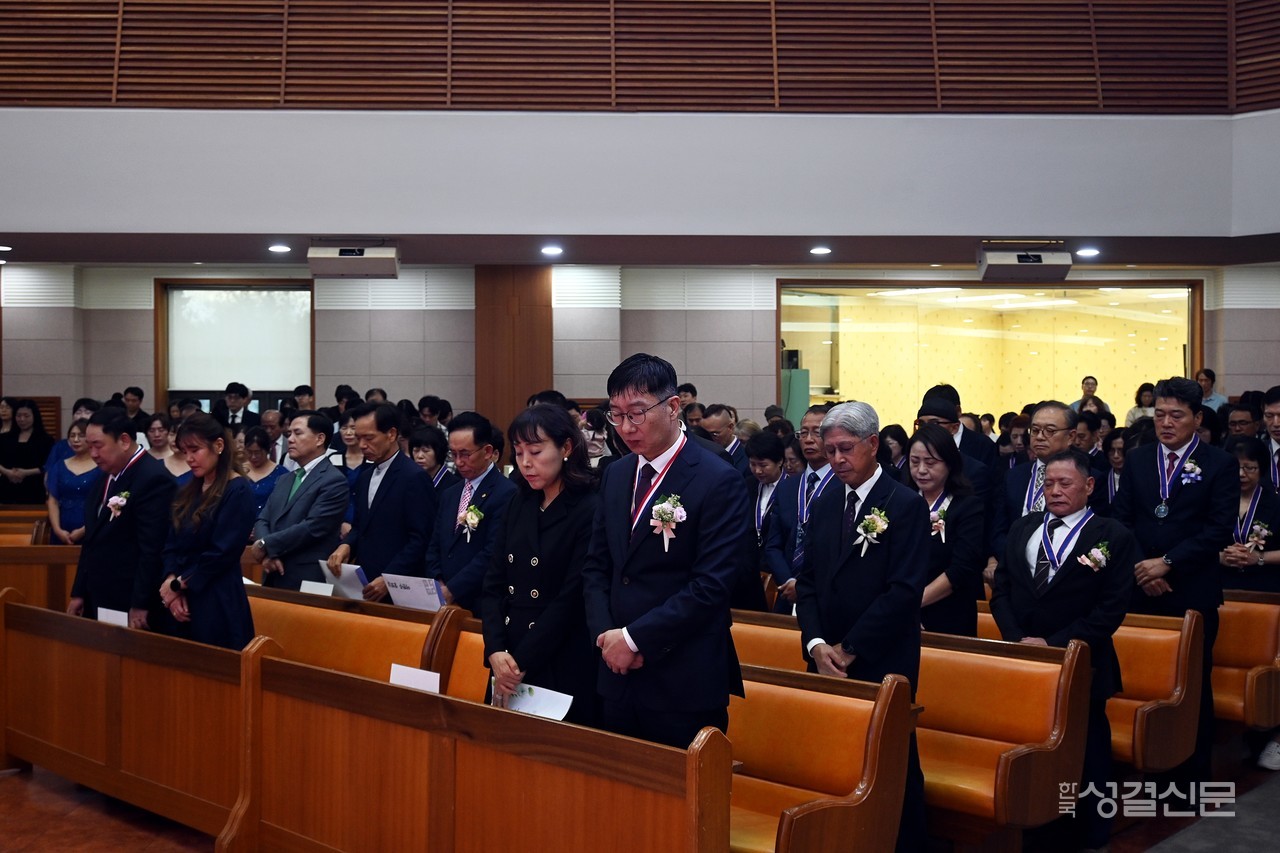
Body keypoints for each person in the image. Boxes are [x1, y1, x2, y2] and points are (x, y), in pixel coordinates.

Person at [581, 353, 749, 749]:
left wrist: (635, 640)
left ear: (673, 407)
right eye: (616, 415)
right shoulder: (617, 474)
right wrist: (606, 636)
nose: (625, 427)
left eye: (637, 413)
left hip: (682, 678)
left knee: (682, 804)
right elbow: (596, 566)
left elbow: (711, 585)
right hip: (616, 673)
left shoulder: (717, 478)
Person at [793, 400, 928, 853]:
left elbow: (904, 592)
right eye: (829, 451)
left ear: (872, 445)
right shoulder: (826, 498)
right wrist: (815, 644)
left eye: (845, 449)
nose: (835, 460)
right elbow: (808, 580)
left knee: (890, 762)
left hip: (879, 656)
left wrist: (848, 648)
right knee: (834, 758)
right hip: (825, 657)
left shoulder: (904, 504)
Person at [990, 448, 1137, 850]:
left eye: (1065, 483)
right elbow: (1001, 589)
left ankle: (1092, 831)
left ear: (1089, 486)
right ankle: (1042, 821)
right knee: (1038, 745)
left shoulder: (1111, 536)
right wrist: (1018, 638)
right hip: (1026, 658)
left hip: (1083, 661)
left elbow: (1110, 611)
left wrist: (1054, 645)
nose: (1054, 491)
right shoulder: (1023, 528)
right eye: (1048, 483)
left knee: (1088, 750)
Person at [1112, 376, 1237, 785]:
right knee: (1143, 682)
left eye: (1176, 416)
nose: (1166, 423)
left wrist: (1166, 563)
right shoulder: (1138, 458)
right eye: (1160, 414)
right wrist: (1143, 568)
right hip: (1140, 586)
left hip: (1191, 590)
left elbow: (1218, 529)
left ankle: (1190, 781)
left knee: (1191, 688)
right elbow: (1122, 520)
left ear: (1197, 418)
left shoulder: (1219, 463)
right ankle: (1147, 769)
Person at [481, 404, 600, 726]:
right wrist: (495, 649)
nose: (525, 463)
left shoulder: (588, 508)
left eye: (535, 451)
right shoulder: (517, 502)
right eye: (519, 453)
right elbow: (492, 583)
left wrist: (520, 661)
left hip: (558, 654)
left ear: (566, 448)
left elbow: (571, 598)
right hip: (507, 654)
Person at [156, 413, 256, 650]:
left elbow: (222, 552)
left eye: (195, 450)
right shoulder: (188, 489)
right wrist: (171, 580)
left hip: (217, 597)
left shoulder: (238, 490)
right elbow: (170, 542)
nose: (189, 458)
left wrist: (177, 585)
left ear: (218, 445)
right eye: (184, 451)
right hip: (181, 596)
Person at [68, 409, 176, 626]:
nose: (94, 454)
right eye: (90, 447)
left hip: (129, 596)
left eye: (98, 446)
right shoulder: (106, 476)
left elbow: (152, 548)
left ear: (124, 441)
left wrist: (140, 602)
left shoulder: (153, 478)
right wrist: (79, 591)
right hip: (98, 591)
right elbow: (92, 540)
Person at [327, 402, 436, 602]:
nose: (361, 445)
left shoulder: (414, 477)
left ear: (391, 434)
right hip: (366, 582)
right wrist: (346, 546)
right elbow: (361, 525)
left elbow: (420, 539)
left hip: (400, 587)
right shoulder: (366, 475)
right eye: (359, 438)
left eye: (369, 438)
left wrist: (389, 578)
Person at [426, 411, 517, 612]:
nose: (458, 462)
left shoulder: (506, 493)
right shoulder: (450, 493)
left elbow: (492, 552)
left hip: (480, 602)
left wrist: (453, 589)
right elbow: (435, 543)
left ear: (487, 451)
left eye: (465, 454)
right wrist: (438, 583)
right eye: (453, 454)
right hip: (444, 599)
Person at [252, 411, 350, 591]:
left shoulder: (333, 480)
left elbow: (314, 527)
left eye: (298, 433)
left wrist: (267, 544)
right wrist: (269, 553)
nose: (290, 439)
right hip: (273, 572)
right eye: (289, 434)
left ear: (320, 439)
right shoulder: (285, 479)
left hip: (307, 578)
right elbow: (263, 519)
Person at [905, 424, 984, 636]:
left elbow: (961, 569)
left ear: (949, 463)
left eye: (930, 463)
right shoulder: (900, 503)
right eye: (914, 462)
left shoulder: (968, 507)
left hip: (949, 614)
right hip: (899, 612)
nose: (921, 470)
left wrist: (909, 604)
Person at [764, 404, 837, 615]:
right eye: (803, 432)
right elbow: (773, 545)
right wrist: (788, 580)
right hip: (786, 594)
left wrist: (804, 586)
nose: (808, 439)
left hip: (826, 597)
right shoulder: (788, 485)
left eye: (818, 432)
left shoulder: (844, 485)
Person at [993, 401, 1078, 560]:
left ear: (1071, 436)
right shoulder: (1014, 475)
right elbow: (999, 529)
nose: (1039, 437)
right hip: (1013, 567)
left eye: (1049, 431)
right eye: (1035, 430)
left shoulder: (1085, 477)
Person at [1218, 437, 1280, 593]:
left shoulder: (1275, 503)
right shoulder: (1215, 500)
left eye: (1249, 468)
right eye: (1235, 467)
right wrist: (1220, 557)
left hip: (1266, 586)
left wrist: (1260, 558)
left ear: (1262, 469)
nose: (1241, 474)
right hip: (1220, 584)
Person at [46, 419, 98, 545]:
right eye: (72, 435)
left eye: (81, 436)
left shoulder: (101, 466)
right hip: (63, 525)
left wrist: (83, 530)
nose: (76, 440)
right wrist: (58, 530)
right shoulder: (59, 466)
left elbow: (105, 501)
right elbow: (52, 501)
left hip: (92, 526)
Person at [0, 399, 55, 504]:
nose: (22, 419)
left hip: (34, 488)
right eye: (18, 415)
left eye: (26, 416)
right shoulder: (4, 438)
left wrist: (25, 473)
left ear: (34, 416)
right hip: (7, 488)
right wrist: (8, 472)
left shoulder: (46, 439)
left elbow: (49, 465)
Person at [330, 409, 365, 536]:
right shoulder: (333, 459)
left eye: (353, 428)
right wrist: (340, 523)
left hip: (366, 523)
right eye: (344, 428)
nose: (348, 433)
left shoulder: (372, 459)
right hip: (337, 525)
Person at [44, 397, 101, 474]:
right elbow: (49, 473)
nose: (82, 416)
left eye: (87, 412)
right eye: (78, 412)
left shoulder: (100, 445)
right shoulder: (60, 447)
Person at [242, 426, 285, 520]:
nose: (253, 457)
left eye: (257, 453)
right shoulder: (238, 471)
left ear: (268, 449)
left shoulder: (282, 474)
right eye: (249, 452)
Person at [700, 403, 750, 478]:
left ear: (730, 427)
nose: (709, 439)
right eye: (705, 434)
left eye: (714, 434)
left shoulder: (747, 461)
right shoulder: (702, 455)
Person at [145, 413, 192, 484]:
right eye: (172, 434)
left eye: (179, 434)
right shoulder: (157, 465)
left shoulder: (196, 463)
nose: (175, 439)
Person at [409, 426, 458, 492]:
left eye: (425, 451)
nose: (420, 456)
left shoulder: (454, 486)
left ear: (439, 452)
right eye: (416, 450)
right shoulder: (410, 482)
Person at [1094, 428, 1129, 517]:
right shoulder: (1100, 480)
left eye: (1120, 450)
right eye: (1112, 451)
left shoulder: (1138, 479)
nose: (1116, 456)